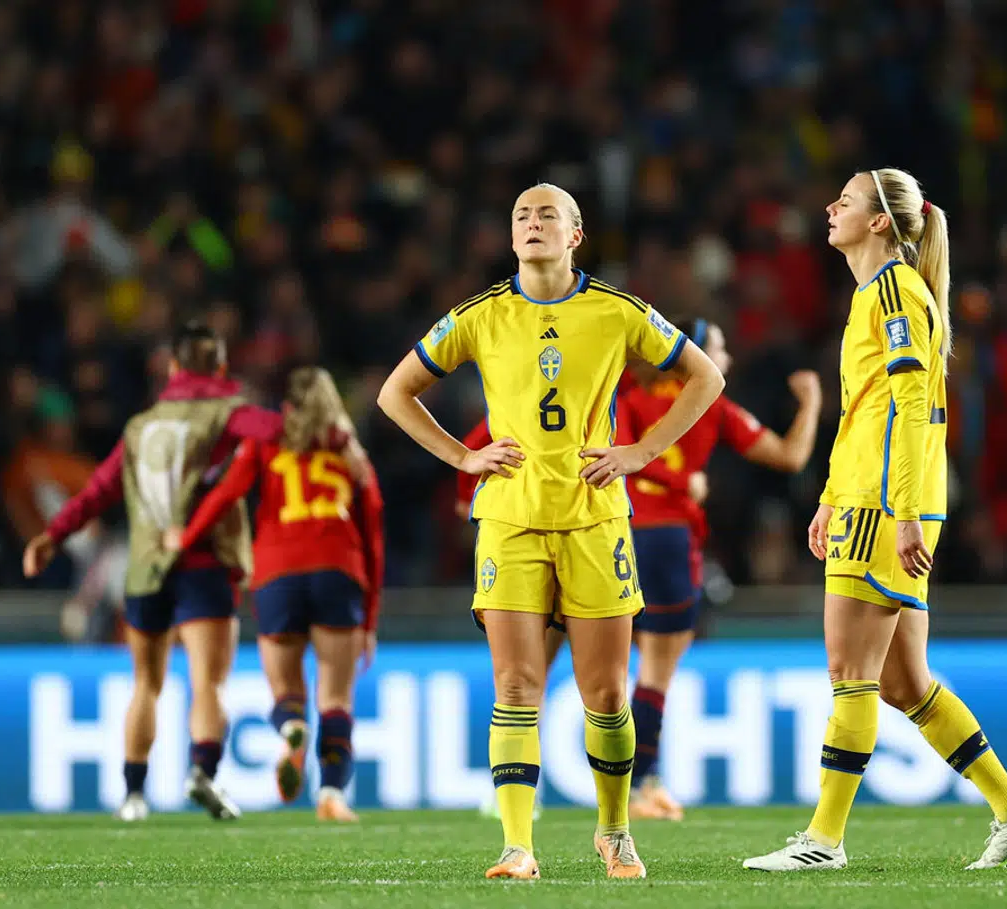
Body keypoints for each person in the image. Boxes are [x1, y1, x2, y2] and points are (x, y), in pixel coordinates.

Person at [377, 183, 724, 881]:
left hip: (597, 518)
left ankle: (616, 830)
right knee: (515, 682)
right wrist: (462, 456)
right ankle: (516, 845)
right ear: (511, 239)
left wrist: (639, 452)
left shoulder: (618, 310)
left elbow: (705, 376)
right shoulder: (479, 314)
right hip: (508, 517)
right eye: (521, 217)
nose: (533, 224)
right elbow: (394, 392)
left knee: (606, 693)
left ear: (575, 235)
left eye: (548, 216)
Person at [744, 169, 1007, 873]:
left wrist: (903, 510)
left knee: (849, 669)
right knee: (903, 682)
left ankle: (824, 839)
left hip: (886, 506)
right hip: (868, 497)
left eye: (846, 200)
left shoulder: (893, 292)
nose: (830, 206)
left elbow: (914, 410)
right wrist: (828, 492)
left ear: (880, 221)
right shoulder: (875, 295)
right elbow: (867, 413)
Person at [458, 320, 823, 822]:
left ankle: (510, 786)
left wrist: (467, 490)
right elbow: (790, 456)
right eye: (718, 350)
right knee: (646, 677)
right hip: (659, 540)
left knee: (532, 670)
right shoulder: (712, 404)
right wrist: (811, 403)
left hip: (595, 533)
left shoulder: (619, 395)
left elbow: (498, 430)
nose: (726, 361)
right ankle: (641, 786)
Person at [23, 322, 369, 823]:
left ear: (174, 368)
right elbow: (281, 431)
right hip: (205, 566)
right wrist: (338, 437)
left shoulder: (140, 427)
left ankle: (133, 795)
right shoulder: (229, 413)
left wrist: (52, 535)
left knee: (145, 682)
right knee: (208, 682)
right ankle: (203, 773)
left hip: (145, 568)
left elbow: (99, 489)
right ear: (222, 367)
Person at [166, 367, 383, 822]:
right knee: (337, 698)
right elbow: (373, 530)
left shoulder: (266, 441)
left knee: (286, 690)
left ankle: (291, 728)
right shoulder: (349, 451)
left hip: (277, 573)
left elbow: (225, 494)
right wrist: (369, 618)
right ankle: (331, 795)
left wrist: (183, 540)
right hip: (337, 571)